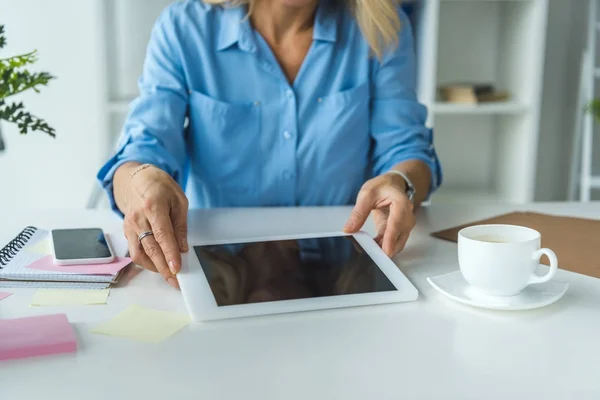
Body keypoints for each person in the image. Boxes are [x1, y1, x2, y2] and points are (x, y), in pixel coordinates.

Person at [97, 0, 443, 289]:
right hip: (219, 271)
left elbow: (407, 150)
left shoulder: (381, 28)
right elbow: (143, 146)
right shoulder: (185, 26)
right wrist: (141, 181)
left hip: (345, 271)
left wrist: (401, 183)